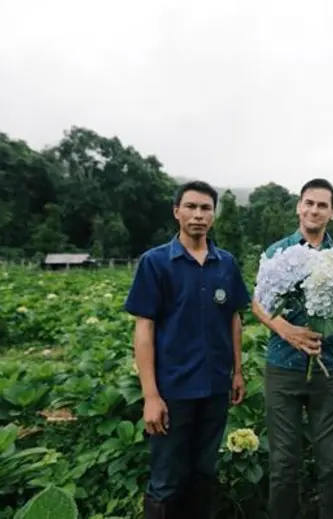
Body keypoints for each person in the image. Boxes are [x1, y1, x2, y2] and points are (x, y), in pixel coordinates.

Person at [124, 180, 251, 519]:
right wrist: (150, 395)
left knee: (204, 472)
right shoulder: (156, 263)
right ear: (176, 211)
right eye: (191, 207)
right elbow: (144, 330)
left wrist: (237, 372)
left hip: (214, 386)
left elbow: (234, 319)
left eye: (205, 208)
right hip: (173, 389)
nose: (198, 215)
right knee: (166, 479)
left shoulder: (226, 263)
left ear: (213, 214)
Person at [251, 178, 333, 519]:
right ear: (298, 206)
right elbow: (257, 301)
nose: (314, 210)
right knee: (284, 463)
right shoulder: (278, 251)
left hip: (328, 367)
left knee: (331, 463)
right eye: (309, 202)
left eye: (323, 205)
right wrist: (284, 328)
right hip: (283, 367)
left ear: (332, 213)